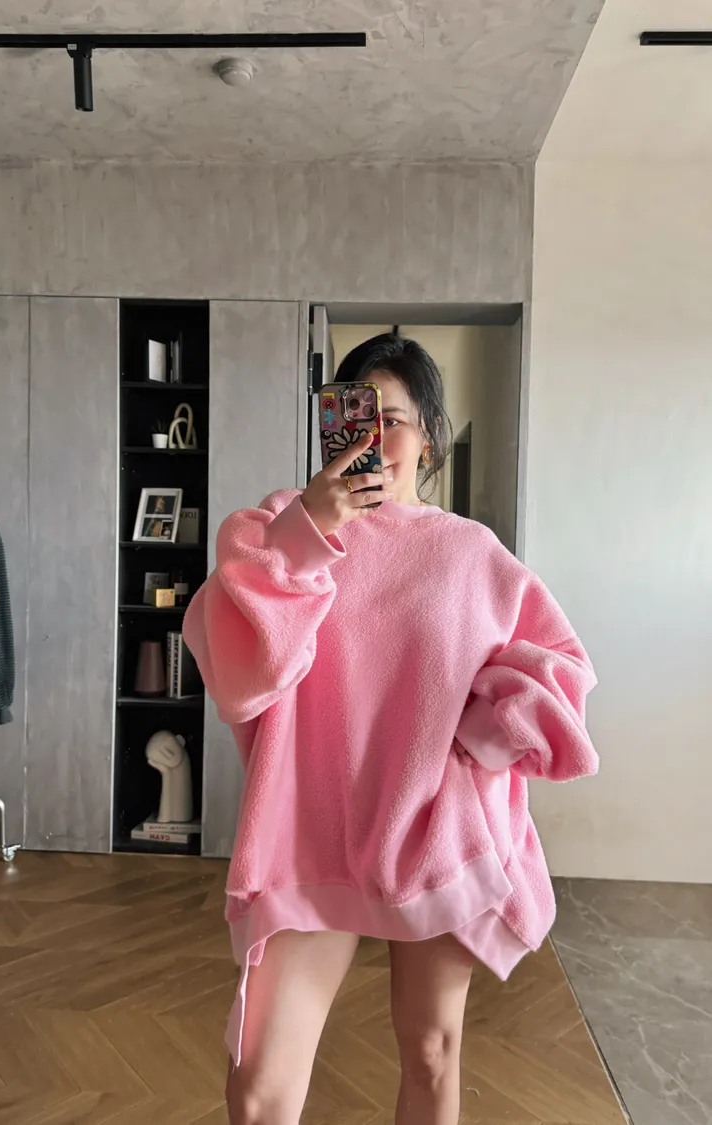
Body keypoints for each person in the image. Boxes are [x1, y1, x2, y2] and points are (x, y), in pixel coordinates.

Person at [183, 334, 599, 1125]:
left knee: (432, 1053)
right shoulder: (281, 522)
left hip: (432, 829)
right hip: (310, 833)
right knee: (258, 1087)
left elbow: (559, 667)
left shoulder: (469, 552)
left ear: (430, 439)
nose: (374, 436)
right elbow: (234, 653)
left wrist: (477, 735)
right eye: (357, 414)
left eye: (394, 419)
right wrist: (310, 528)